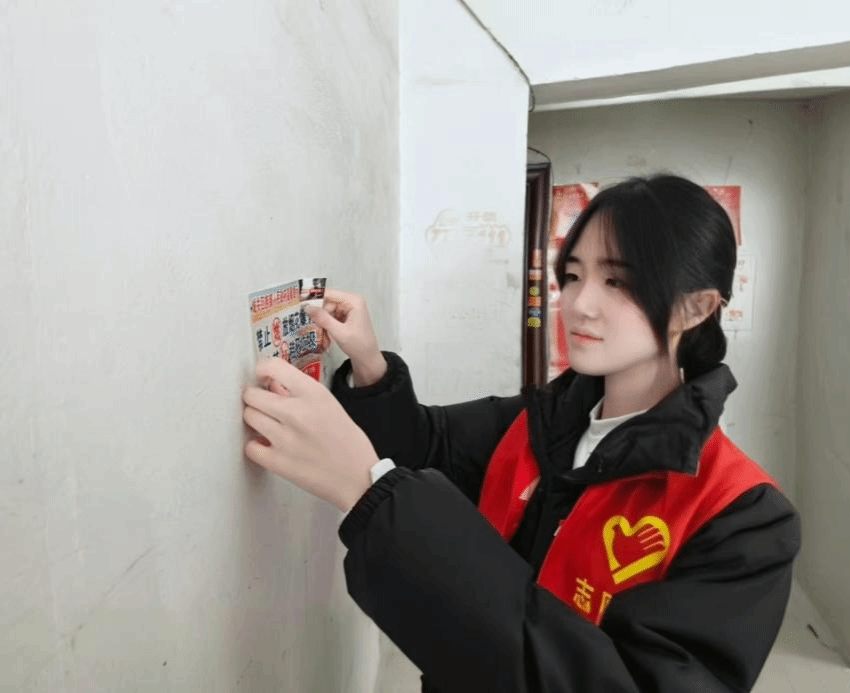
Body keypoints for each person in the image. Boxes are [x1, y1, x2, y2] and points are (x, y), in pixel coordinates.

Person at [242, 173, 801, 693]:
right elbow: (425, 444)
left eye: (619, 281)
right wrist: (369, 365)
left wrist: (369, 492)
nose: (579, 304)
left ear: (695, 308)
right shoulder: (538, 423)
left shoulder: (744, 519)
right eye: (574, 275)